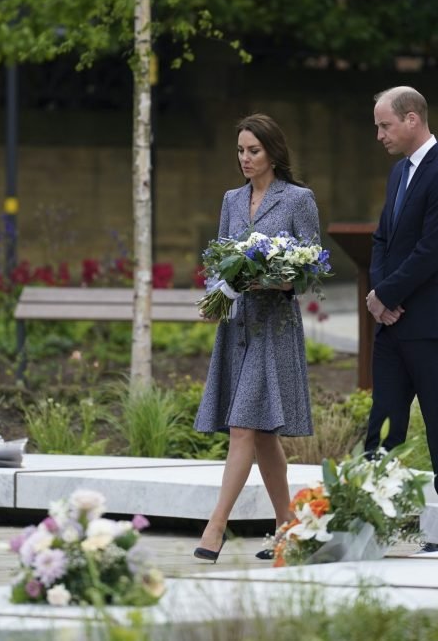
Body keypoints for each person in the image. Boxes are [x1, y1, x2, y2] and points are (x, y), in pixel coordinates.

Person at [193, 113, 319, 562]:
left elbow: (311, 270)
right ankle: (291, 530)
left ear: (273, 152)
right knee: (263, 435)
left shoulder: (298, 199)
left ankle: (215, 527)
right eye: (241, 151)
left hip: (275, 327)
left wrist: (282, 280)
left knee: (244, 425)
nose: (245, 159)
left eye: (254, 151)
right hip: (238, 325)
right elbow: (223, 261)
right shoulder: (231, 199)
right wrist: (216, 300)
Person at [364, 86, 438, 504]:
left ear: (412, 119)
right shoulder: (399, 173)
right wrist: (379, 295)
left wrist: (385, 295)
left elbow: (434, 249)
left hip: (430, 323)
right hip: (392, 325)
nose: (379, 135)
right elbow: (382, 239)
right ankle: (368, 514)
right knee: (383, 424)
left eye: (384, 125)